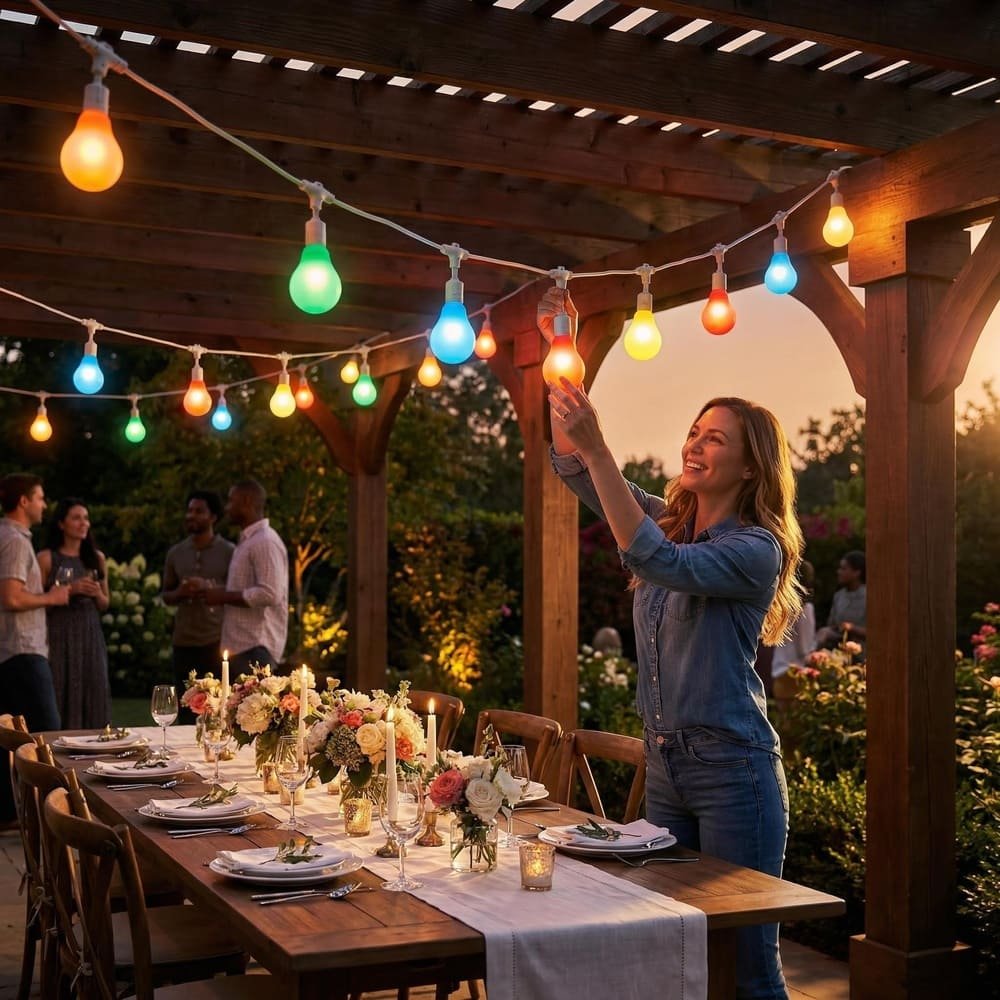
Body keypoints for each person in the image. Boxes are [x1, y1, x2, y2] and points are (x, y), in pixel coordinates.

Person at [540, 287, 802, 1000]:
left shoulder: (755, 549)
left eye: (715, 438)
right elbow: (575, 467)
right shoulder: (669, 521)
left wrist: (599, 446)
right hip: (666, 767)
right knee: (674, 952)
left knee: (746, 969)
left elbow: (654, 559)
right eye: (694, 431)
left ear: (750, 467)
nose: (694, 444)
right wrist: (560, 354)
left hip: (733, 773)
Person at [0, 474, 69, 823]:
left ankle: (13, 813)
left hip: (13, 650)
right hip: (22, 650)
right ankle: (53, 817)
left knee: (13, 737)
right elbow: (11, 597)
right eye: (40, 497)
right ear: (24, 501)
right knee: (46, 732)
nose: (44, 504)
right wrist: (52, 597)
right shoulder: (14, 540)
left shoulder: (10, 536)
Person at [37, 498, 112, 729]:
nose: (83, 523)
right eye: (76, 518)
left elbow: (105, 603)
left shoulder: (96, 558)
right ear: (61, 523)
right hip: (59, 635)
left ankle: (96, 745)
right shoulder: (46, 558)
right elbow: (37, 604)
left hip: (90, 635)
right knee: (60, 689)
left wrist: (96, 593)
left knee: (94, 692)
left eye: (86, 518)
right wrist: (71, 590)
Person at [199, 479, 288, 674]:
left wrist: (222, 596)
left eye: (231, 501)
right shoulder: (249, 540)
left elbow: (270, 593)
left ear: (246, 501)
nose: (227, 508)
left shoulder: (265, 541)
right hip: (241, 646)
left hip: (255, 648)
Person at [161, 491, 234, 703]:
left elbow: (236, 591)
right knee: (185, 705)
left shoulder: (229, 551)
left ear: (213, 517)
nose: (191, 515)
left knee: (216, 706)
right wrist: (181, 593)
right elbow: (166, 595)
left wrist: (208, 587)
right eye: (190, 510)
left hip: (216, 641)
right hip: (183, 642)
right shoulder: (176, 553)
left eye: (199, 511)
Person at [771, 560, 816, 680]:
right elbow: (804, 650)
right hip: (795, 672)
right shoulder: (805, 609)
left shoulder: (782, 605)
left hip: (778, 670)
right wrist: (822, 637)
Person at [814, 550, 866, 651]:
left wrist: (852, 628)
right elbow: (832, 624)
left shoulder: (868, 597)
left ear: (857, 572)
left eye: (843, 569)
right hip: (839, 654)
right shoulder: (839, 596)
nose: (839, 572)